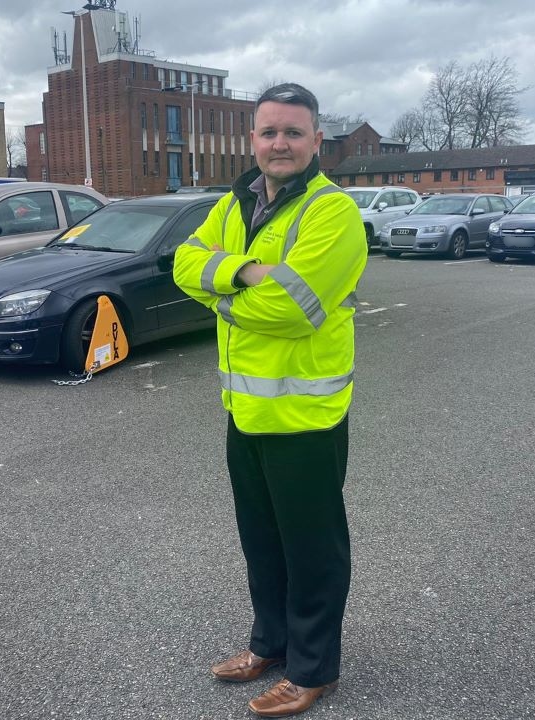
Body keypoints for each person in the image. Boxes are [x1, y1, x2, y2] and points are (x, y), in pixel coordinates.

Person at [173, 83, 367, 718]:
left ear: (316, 141)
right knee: (261, 539)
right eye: (268, 132)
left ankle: (315, 669)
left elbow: (291, 307)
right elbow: (182, 263)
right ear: (251, 139)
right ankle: (272, 644)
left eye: (292, 132)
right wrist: (246, 271)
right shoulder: (235, 203)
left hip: (306, 417)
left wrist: (220, 281)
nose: (278, 143)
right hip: (246, 411)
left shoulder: (330, 213)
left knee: (312, 548)